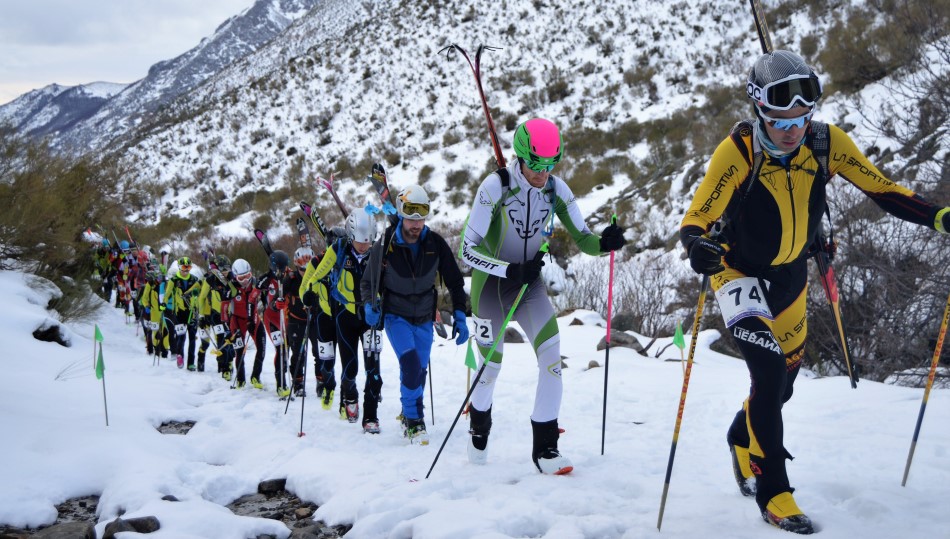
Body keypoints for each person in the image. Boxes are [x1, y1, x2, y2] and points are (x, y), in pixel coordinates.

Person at [679, 49, 950, 535]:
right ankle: (774, 493)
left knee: (780, 386)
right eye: (780, 119)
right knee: (765, 368)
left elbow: (882, 189)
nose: (792, 129)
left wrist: (937, 216)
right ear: (759, 110)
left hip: (791, 278)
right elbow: (697, 220)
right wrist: (699, 247)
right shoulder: (738, 151)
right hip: (738, 275)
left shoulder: (826, 144)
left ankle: (741, 436)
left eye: (802, 117)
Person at [460, 118, 626, 474]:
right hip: (491, 286)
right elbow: (466, 250)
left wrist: (605, 243)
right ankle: (479, 424)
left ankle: (546, 448)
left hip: (528, 286)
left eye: (550, 165)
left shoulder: (556, 190)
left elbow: (584, 238)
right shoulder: (495, 187)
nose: (542, 172)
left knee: (552, 358)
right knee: (490, 369)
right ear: (521, 156)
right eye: (536, 164)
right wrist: (507, 270)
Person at [361, 185, 470, 441]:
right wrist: (368, 305)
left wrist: (461, 316)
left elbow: (455, 282)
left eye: (421, 217)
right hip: (395, 315)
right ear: (401, 213)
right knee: (409, 365)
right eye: (411, 217)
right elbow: (367, 282)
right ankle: (413, 420)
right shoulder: (386, 243)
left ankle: (407, 408)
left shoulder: (435, 243)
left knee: (419, 371)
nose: (417, 223)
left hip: (424, 316)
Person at [302, 210, 377, 426]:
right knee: (348, 366)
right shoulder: (337, 251)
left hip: (369, 315)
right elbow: (315, 278)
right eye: (359, 241)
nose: (363, 246)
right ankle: (347, 395)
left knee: (373, 366)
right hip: (341, 315)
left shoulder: (375, 251)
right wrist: (309, 292)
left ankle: (371, 411)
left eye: (367, 241)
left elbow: (384, 281)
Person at [283, 247, 320, 397]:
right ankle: (298, 383)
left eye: (308, 268)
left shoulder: (317, 277)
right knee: (298, 353)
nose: (305, 272)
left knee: (319, 352)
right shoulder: (290, 279)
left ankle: (321, 382)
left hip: (313, 320)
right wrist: (276, 303)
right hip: (296, 320)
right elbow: (278, 299)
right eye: (302, 268)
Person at [228, 258, 266, 388]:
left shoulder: (255, 283)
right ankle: (240, 380)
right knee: (239, 351)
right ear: (235, 277)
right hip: (237, 321)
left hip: (254, 319)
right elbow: (224, 306)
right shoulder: (231, 287)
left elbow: (265, 294)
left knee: (262, 347)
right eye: (241, 278)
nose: (245, 281)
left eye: (247, 276)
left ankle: (255, 377)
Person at [259, 250, 292, 398]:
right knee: (281, 349)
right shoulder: (266, 279)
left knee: (286, 350)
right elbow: (257, 294)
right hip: (271, 319)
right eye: (281, 268)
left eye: (285, 267)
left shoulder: (289, 275)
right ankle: (281, 384)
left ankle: (287, 379)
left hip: (285, 319)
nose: (284, 270)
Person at [198, 254, 237, 378]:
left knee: (230, 340)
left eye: (228, 269)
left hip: (230, 314)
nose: (226, 272)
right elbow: (202, 298)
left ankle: (229, 363)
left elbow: (237, 294)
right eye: (223, 269)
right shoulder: (210, 279)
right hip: (216, 314)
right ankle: (223, 367)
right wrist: (201, 316)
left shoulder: (232, 278)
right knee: (221, 339)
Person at [166, 256, 202, 370]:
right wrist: (163, 304)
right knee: (181, 337)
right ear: (179, 267)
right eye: (183, 267)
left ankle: (191, 363)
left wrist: (196, 293)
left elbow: (200, 293)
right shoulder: (174, 280)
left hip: (192, 312)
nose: (186, 270)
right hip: (179, 312)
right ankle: (179, 355)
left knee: (192, 338)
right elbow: (167, 294)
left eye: (188, 267)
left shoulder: (194, 280)